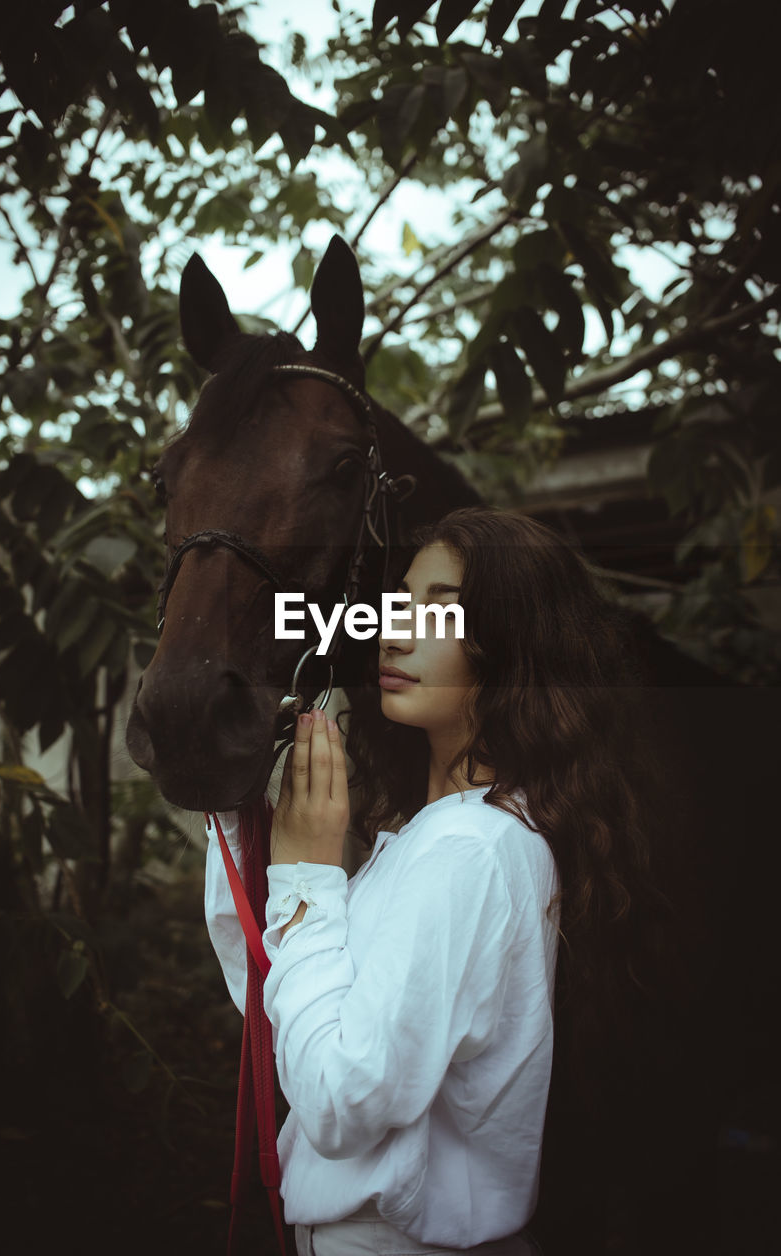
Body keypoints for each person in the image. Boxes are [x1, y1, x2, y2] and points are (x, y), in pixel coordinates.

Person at [205, 505, 670, 1255]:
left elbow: (341, 1099)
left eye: (442, 612)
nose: (394, 632)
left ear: (513, 645)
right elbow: (286, 1015)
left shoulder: (471, 849)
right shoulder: (450, 834)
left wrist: (308, 874)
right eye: (398, 605)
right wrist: (240, 809)